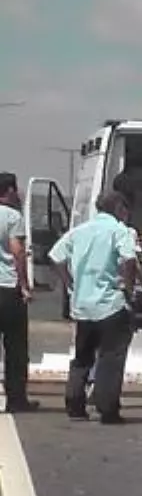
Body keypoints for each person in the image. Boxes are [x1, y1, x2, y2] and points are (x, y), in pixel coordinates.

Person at [49, 192, 138, 423]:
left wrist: (70, 284)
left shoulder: (79, 231)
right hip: (110, 304)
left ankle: (75, 404)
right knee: (111, 357)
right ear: (118, 207)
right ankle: (107, 409)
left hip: (82, 305)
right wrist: (129, 289)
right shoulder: (119, 231)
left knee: (82, 357)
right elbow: (129, 260)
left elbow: (56, 256)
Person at [0, 172, 37, 413]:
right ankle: (16, 399)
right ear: (10, 191)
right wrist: (24, 284)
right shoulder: (13, 216)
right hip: (7, 288)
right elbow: (17, 252)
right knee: (15, 346)